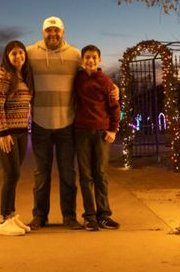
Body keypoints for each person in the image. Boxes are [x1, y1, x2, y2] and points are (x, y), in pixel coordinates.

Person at [26, 16, 83, 230]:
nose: (53, 34)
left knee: (68, 173)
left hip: (67, 123)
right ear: (43, 32)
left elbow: (90, 73)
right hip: (40, 122)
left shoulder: (75, 55)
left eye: (56, 31)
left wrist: (110, 87)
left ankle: (69, 216)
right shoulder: (30, 53)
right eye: (49, 31)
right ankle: (40, 216)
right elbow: (14, 66)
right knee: (41, 174)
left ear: (63, 32)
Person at [74, 44, 121, 230]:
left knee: (100, 174)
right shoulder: (77, 79)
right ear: (81, 60)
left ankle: (104, 214)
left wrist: (113, 130)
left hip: (101, 133)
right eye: (87, 57)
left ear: (99, 60)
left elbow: (114, 107)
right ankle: (90, 216)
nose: (90, 60)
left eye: (94, 57)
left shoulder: (106, 81)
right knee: (85, 175)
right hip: (81, 131)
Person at [0, 40, 34, 236]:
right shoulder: (5, 76)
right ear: (7, 57)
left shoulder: (23, 76)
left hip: (22, 131)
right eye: (14, 54)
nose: (19, 57)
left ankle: (12, 214)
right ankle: (2, 219)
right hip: (5, 133)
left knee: (15, 175)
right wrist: (3, 132)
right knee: (11, 174)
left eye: (21, 53)